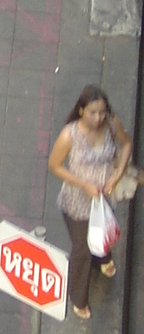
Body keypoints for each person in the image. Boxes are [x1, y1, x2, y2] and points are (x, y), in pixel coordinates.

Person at [47, 86, 132, 319]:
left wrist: (116, 175)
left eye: (102, 112)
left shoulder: (112, 125)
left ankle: (103, 257)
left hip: (104, 195)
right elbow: (54, 166)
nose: (98, 118)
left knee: (104, 229)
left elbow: (126, 145)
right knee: (82, 250)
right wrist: (83, 184)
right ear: (81, 110)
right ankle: (79, 298)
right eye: (93, 112)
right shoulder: (70, 135)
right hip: (77, 202)